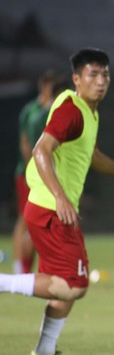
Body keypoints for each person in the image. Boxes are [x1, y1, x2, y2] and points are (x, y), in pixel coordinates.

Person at [0, 48, 114, 355]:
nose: (101, 81)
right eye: (92, 75)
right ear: (76, 79)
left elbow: (92, 156)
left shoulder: (87, 111)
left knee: (69, 281)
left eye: (105, 75)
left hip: (50, 207)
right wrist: (59, 197)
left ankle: (44, 352)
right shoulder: (72, 110)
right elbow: (41, 151)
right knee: (74, 285)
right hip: (51, 208)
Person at [11, 70, 58, 275]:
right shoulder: (33, 112)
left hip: (43, 172)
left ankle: (29, 267)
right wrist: (36, 174)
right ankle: (20, 265)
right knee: (26, 218)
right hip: (30, 174)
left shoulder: (50, 111)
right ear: (45, 86)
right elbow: (26, 145)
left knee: (36, 219)